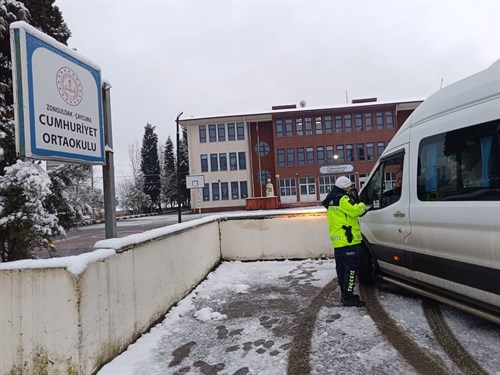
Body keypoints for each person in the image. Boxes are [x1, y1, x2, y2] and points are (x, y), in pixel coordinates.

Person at [322, 176, 367, 307]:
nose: (350, 189)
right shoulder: (343, 199)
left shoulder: (331, 200)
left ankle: (344, 294)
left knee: (341, 270)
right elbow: (357, 211)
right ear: (344, 187)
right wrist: (361, 203)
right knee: (351, 269)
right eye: (349, 187)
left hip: (338, 242)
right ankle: (348, 297)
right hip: (348, 240)